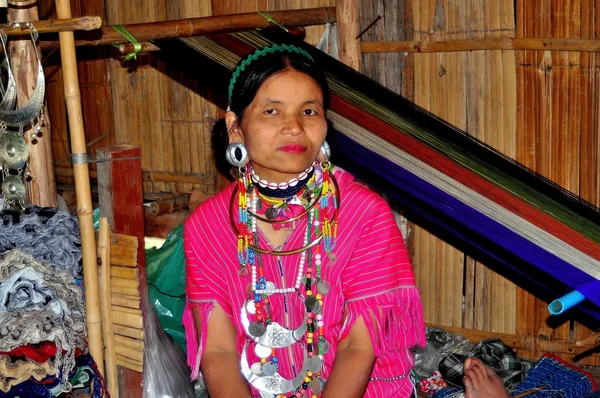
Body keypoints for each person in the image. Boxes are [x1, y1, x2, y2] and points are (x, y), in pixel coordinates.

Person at [183, 43, 425, 398]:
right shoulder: (208, 227)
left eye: (309, 111)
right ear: (235, 126)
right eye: (271, 111)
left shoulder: (363, 214)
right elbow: (218, 351)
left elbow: (358, 346)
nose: (294, 127)